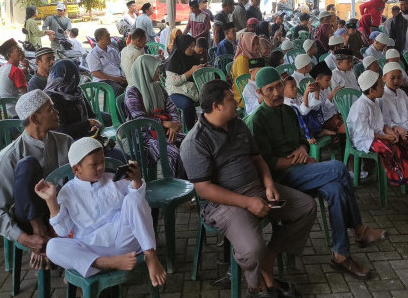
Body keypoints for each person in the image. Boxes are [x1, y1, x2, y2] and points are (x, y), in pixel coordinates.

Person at [247, 67, 387, 280]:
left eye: (278, 86)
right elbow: (263, 163)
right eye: (269, 89)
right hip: (281, 180)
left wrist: (303, 151)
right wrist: (294, 159)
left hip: (302, 169)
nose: (276, 93)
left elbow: (303, 140)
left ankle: (340, 254)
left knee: (337, 189)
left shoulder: (289, 111)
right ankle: (359, 228)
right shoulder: (256, 120)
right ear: (259, 93)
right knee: (339, 168)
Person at [181, 79, 316, 296]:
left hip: (256, 188)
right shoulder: (195, 141)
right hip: (222, 204)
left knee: (305, 207)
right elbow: (204, 189)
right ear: (216, 106)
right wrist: (247, 203)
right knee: (252, 248)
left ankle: (268, 260)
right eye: (230, 99)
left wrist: (269, 183)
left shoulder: (239, 124)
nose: (237, 102)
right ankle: (258, 285)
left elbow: (257, 158)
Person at [36, 138, 166, 285]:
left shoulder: (113, 180)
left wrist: (136, 181)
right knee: (52, 247)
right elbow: (63, 231)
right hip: (92, 249)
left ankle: (150, 255)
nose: (100, 167)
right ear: (76, 169)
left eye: (102, 162)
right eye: (94, 164)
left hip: (123, 241)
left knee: (134, 199)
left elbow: (138, 208)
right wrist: (51, 201)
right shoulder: (67, 193)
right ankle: (107, 263)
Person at [0, 90, 73, 271]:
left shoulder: (65, 142)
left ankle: (72, 268)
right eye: (51, 110)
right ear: (35, 118)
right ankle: (40, 232)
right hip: (27, 221)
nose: (57, 113)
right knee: (27, 166)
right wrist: (26, 239)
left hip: (62, 214)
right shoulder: (8, 157)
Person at [347, 70, 408, 201]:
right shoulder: (361, 106)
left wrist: (392, 132)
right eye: (379, 86)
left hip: (377, 135)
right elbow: (363, 132)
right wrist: (385, 137)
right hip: (364, 139)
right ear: (372, 90)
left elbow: (381, 124)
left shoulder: (375, 101)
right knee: (392, 149)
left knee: (404, 143)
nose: (382, 88)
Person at [125, 55, 187, 179]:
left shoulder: (158, 87)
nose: (159, 72)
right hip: (144, 137)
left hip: (163, 132)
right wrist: (165, 124)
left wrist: (174, 124)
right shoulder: (132, 92)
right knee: (174, 154)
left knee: (191, 142)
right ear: (146, 70)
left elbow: (172, 107)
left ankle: (192, 185)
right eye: (156, 69)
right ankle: (176, 188)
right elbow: (139, 119)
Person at [45, 59, 108, 139]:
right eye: (72, 76)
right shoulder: (52, 98)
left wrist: (95, 125)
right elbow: (61, 130)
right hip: (67, 141)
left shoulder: (76, 91)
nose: (75, 79)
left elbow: (91, 115)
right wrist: (89, 123)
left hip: (85, 134)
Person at [164, 35, 203, 129]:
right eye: (191, 46)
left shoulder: (193, 58)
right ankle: (191, 131)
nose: (193, 49)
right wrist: (191, 71)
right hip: (175, 91)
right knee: (187, 105)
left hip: (191, 89)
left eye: (194, 46)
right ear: (183, 46)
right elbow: (175, 82)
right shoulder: (172, 61)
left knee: (210, 97)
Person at [86, 28, 127, 96]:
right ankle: (116, 106)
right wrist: (115, 79)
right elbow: (95, 73)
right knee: (119, 90)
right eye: (107, 36)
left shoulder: (113, 51)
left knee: (134, 86)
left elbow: (119, 66)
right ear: (100, 38)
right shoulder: (93, 54)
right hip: (103, 81)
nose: (110, 37)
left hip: (117, 78)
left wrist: (122, 77)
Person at [231, 32, 262, 104]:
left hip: (255, 89)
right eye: (253, 44)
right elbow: (245, 83)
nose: (256, 46)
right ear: (246, 44)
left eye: (257, 43)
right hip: (243, 95)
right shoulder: (242, 59)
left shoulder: (255, 56)